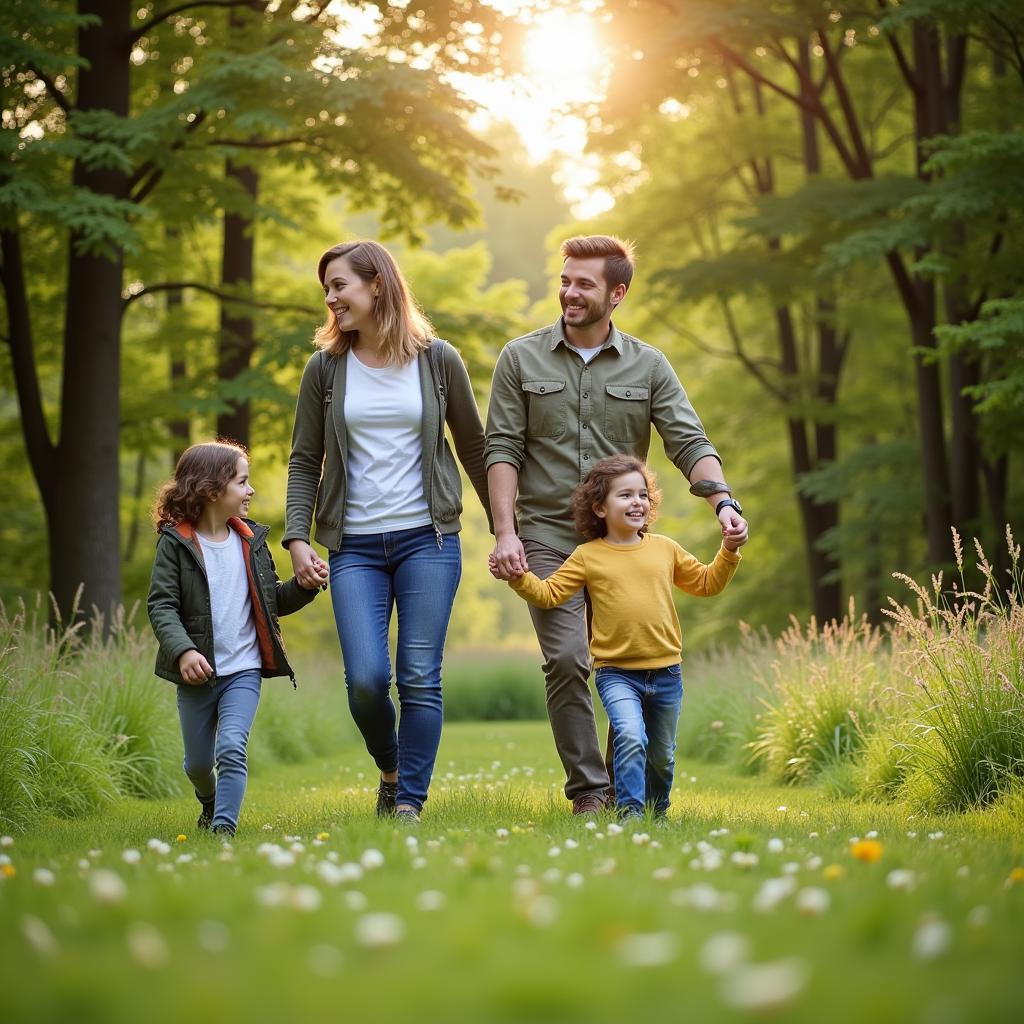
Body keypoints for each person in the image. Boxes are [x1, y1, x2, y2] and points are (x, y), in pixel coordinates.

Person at [486, 234, 748, 815]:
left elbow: (687, 439)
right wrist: (505, 531)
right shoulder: (520, 358)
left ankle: (624, 783)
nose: (569, 293)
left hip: (619, 541)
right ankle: (590, 791)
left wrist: (722, 501)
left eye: (584, 283)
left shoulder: (649, 365)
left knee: (625, 659)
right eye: (565, 280)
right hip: (546, 534)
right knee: (567, 657)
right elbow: (500, 448)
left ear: (617, 292)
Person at [284, 239, 491, 824]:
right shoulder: (324, 368)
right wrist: (298, 538)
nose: (330, 298)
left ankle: (408, 803)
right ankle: (391, 769)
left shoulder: (437, 360)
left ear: (377, 285)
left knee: (420, 674)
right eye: (327, 288)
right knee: (368, 681)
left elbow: (475, 450)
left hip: (429, 539)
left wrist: (508, 528)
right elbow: (304, 459)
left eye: (339, 285)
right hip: (353, 547)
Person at [501, 455, 743, 820]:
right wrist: (519, 577)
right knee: (630, 737)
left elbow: (708, 583)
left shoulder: (665, 549)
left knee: (662, 755)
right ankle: (630, 814)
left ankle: (656, 813)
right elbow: (550, 594)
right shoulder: (587, 556)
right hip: (617, 674)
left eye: (643, 495)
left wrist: (729, 550)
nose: (637, 502)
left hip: (667, 673)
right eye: (625, 495)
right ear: (599, 507)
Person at [148, 441, 320, 837]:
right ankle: (209, 802)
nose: (251, 491)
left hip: (243, 670)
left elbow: (271, 600)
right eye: (243, 482)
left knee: (231, 747)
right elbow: (162, 606)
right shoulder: (175, 544)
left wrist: (305, 586)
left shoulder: (251, 542)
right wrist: (184, 651)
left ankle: (223, 831)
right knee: (196, 764)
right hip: (197, 674)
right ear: (212, 490)